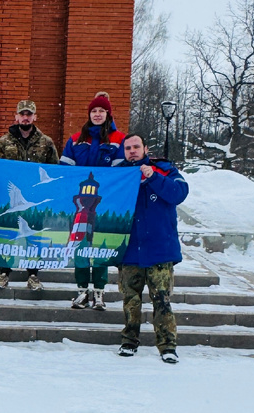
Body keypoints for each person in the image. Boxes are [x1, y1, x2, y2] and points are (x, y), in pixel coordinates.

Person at [117, 134, 189, 363]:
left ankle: (167, 345)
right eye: (127, 148)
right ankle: (129, 341)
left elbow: (179, 194)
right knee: (131, 299)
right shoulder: (118, 175)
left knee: (162, 300)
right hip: (130, 251)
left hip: (160, 249)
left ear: (145, 148)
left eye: (136, 146)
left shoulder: (165, 170)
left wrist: (152, 176)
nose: (132, 151)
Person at [59, 92, 125, 310]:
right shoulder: (76, 138)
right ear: (89, 114)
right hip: (78, 208)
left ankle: (99, 292)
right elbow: (65, 171)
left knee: (99, 249)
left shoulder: (118, 140)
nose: (97, 114)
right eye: (94, 111)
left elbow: (121, 174)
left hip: (104, 205)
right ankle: (81, 291)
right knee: (80, 246)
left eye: (101, 111)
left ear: (108, 114)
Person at [0, 99, 59, 290]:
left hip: (35, 200)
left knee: (33, 235)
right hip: (12, 199)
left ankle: (33, 275)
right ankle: (4, 272)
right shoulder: (4, 142)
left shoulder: (46, 143)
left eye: (29, 114)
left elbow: (53, 170)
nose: (25, 117)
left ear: (34, 117)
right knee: (9, 235)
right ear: (16, 117)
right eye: (22, 114)